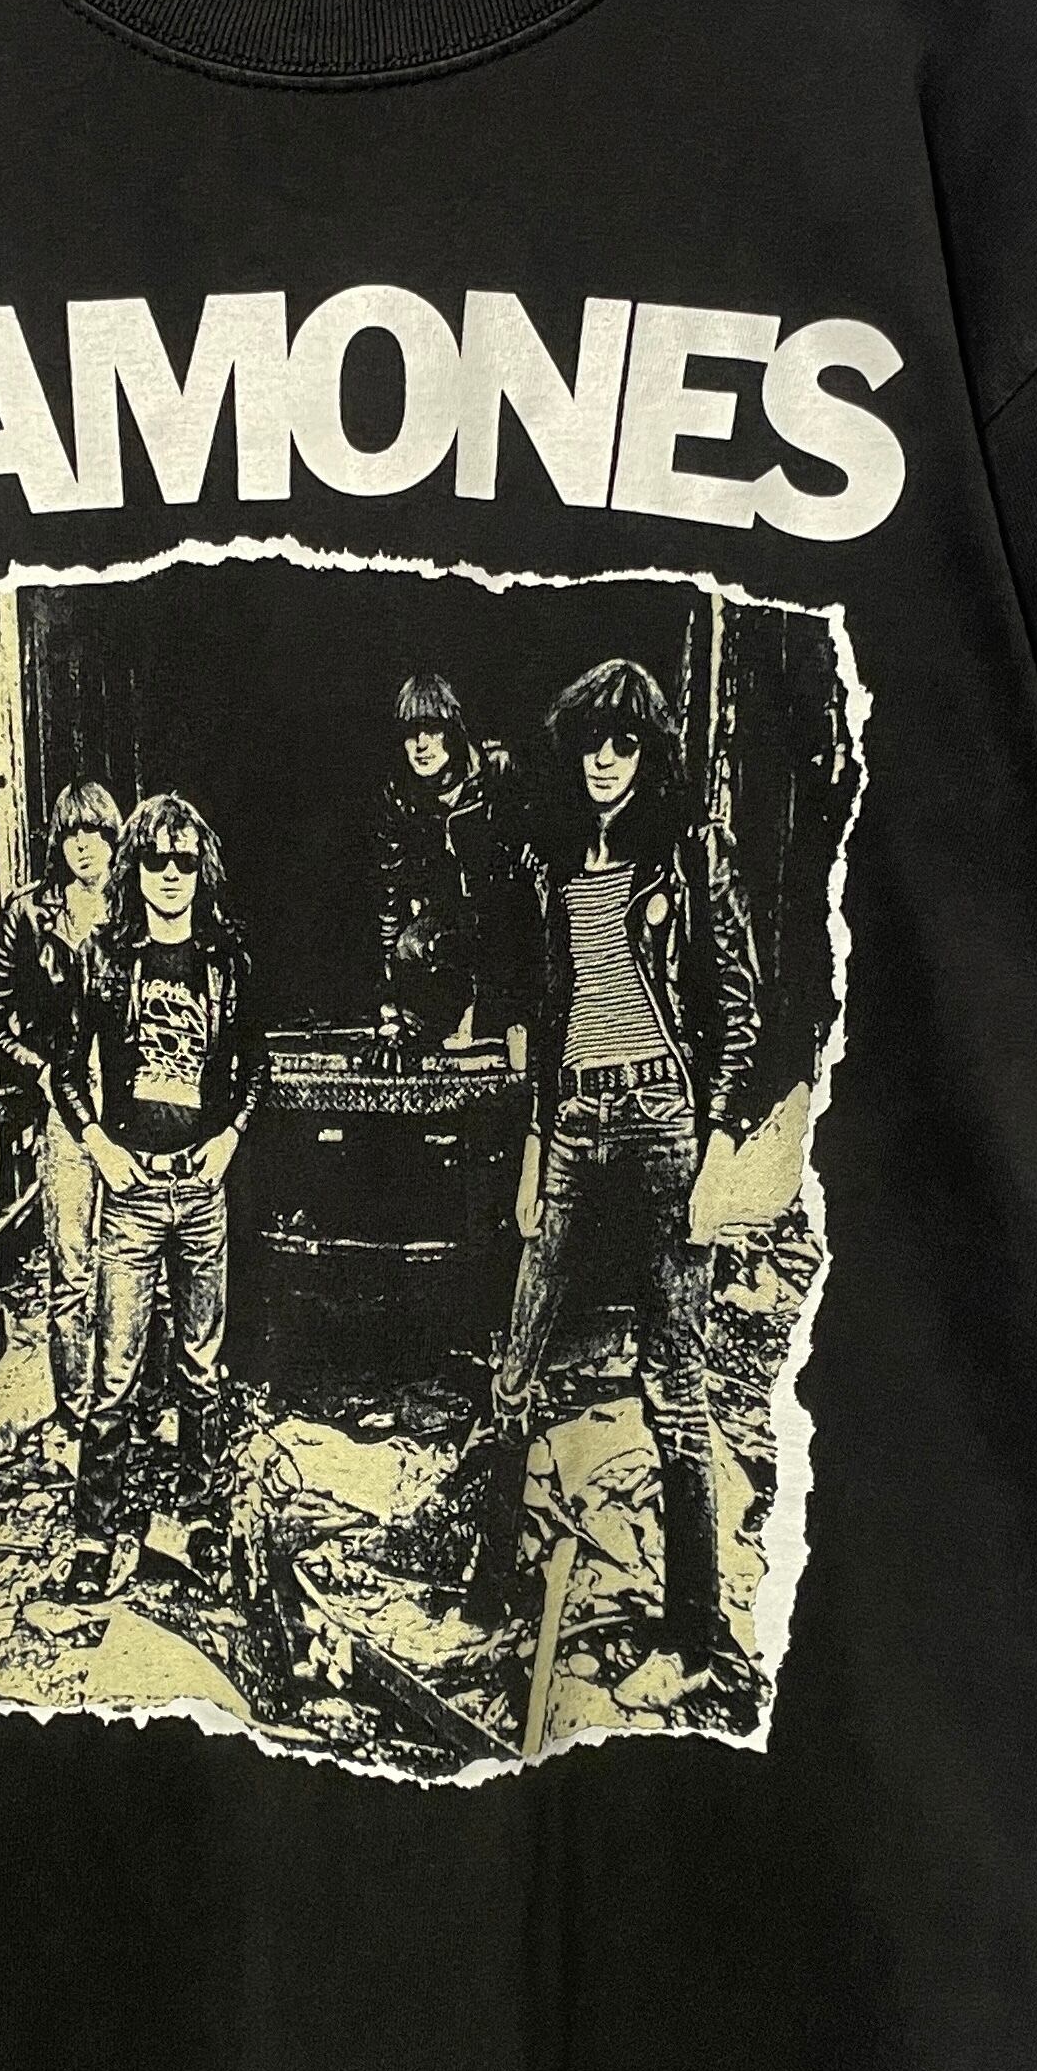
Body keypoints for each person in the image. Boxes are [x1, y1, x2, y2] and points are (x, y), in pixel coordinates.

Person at [473, 658, 761, 1678]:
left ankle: (693, 1631)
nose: (604, 760)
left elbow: (737, 1013)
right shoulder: (554, 860)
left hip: (663, 1118)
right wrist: (533, 1144)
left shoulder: (690, 852)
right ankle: (488, 1588)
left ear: (651, 753)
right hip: (571, 1114)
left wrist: (718, 1152)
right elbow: (544, 1009)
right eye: (591, 742)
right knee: (517, 1356)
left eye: (624, 743)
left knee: (675, 1383)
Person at [56, 794, 268, 1586]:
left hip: (200, 1192)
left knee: (201, 1370)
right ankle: (95, 1532)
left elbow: (256, 1065)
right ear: (135, 867)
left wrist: (230, 1136)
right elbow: (65, 1070)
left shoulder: (227, 960)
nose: (170, 875)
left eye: (184, 861)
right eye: (156, 860)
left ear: (200, 868)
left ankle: (202, 1520)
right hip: (134, 1195)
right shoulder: (105, 958)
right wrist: (99, 1145)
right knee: (115, 1373)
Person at [0, 782, 121, 1455]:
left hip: (131, 1103)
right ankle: (76, 1414)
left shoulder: (139, 906)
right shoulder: (28, 914)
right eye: (71, 835)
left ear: (114, 838)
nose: (83, 846)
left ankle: (127, 1404)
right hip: (65, 1102)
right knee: (72, 1263)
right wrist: (37, 1070)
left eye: (95, 832)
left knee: (133, 1258)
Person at [374, 672, 532, 1050]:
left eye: (432, 730)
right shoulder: (400, 797)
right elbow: (392, 887)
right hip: (448, 920)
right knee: (412, 946)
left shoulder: (495, 775)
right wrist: (393, 981)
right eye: (411, 733)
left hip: (506, 912)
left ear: (453, 730)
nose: (421, 745)